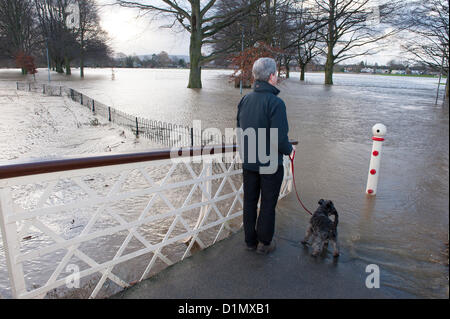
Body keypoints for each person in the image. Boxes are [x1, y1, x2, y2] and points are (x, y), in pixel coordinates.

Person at [236, 57, 294, 255]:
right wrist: (289, 150)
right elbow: (280, 138)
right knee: (268, 203)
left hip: (249, 161)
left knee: (250, 202)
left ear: (254, 77)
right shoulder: (276, 103)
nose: (277, 76)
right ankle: (265, 243)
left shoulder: (245, 99)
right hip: (270, 164)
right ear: (271, 76)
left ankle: (249, 241)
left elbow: (240, 130)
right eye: (276, 73)